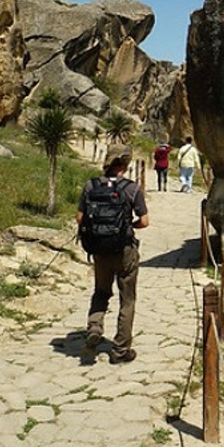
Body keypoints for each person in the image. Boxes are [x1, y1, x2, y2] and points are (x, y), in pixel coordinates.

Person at [76, 144, 149, 364]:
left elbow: (80, 218)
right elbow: (144, 221)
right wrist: (128, 225)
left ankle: (95, 327)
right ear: (125, 164)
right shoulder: (132, 188)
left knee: (101, 292)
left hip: (99, 249)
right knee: (127, 300)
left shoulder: (91, 186)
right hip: (124, 249)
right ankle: (120, 350)